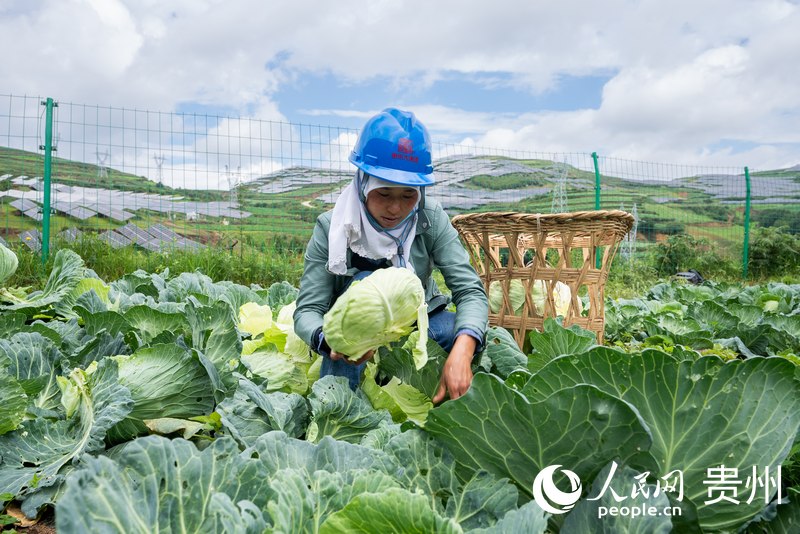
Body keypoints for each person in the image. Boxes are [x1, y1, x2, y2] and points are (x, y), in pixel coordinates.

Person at [293, 107, 488, 403]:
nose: (396, 208)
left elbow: (470, 291)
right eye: (384, 194)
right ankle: (338, 410)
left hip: (415, 328)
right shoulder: (332, 227)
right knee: (365, 282)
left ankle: (440, 401)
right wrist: (326, 339)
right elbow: (307, 310)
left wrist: (464, 348)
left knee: (461, 332)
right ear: (363, 184)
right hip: (354, 342)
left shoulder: (430, 218)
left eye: (409, 195)